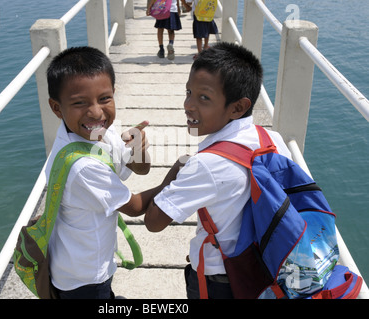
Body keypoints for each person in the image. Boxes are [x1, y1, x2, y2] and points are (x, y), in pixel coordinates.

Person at [143, 42, 292, 299]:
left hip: (220, 280)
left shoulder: (206, 164)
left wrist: (175, 172)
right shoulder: (272, 139)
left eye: (204, 98)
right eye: (188, 92)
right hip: (265, 265)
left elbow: (153, 222)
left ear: (237, 107)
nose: (188, 105)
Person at [45, 46, 174, 299]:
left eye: (104, 99)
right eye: (80, 103)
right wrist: (174, 178)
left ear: (114, 93)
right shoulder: (82, 167)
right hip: (83, 276)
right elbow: (136, 207)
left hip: (83, 259)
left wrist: (138, 148)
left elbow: (139, 169)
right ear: (56, 108)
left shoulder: (99, 133)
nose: (95, 112)